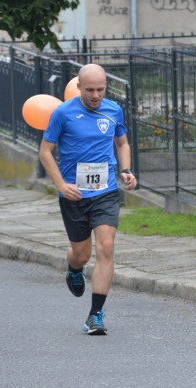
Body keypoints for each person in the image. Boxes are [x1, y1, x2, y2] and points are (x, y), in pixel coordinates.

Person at [39, 63, 137, 335]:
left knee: (106, 247)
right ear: (79, 87)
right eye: (90, 90)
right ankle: (73, 267)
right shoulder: (63, 113)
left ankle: (96, 314)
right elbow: (45, 152)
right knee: (82, 253)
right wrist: (61, 184)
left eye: (101, 90)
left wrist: (126, 170)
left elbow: (122, 143)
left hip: (105, 192)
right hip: (74, 194)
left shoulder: (113, 110)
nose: (96, 95)